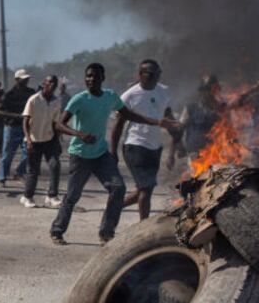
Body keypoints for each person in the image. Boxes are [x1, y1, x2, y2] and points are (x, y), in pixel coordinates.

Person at [50, 63, 180, 245]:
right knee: (72, 195)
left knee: (118, 188)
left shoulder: (110, 97)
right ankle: (57, 230)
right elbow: (58, 124)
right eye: (88, 76)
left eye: (95, 76)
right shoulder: (79, 99)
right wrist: (79, 134)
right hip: (80, 155)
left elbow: (129, 115)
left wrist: (157, 122)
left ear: (102, 78)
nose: (91, 79)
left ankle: (106, 232)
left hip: (101, 153)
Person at [113, 59, 178, 221]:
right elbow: (118, 126)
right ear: (140, 75)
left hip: (155, 148)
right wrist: (113, 152)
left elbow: (169, 118)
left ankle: (114, 207)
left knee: (144, 189)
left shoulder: (164, 91)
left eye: (158, 74)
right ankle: (144, 226)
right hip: (135, 146)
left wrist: (176, 141)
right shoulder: (129, 96)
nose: (155, 77)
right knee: (146, 189)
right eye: (150, 74)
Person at [20, 75, 74, 209]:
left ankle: (52, 196)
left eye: (54, 84)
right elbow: (25, 121)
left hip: (49, 140)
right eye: (49, 82)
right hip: (34, 140)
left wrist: (58, 141)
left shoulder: (56, 101)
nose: (52, 85)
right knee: (33, 170)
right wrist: (28, 140)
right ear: (44, 83)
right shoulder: (33, 99)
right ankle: (27, 196)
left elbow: (56, 123)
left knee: (55, 166)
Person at [0, 69, 33, 186]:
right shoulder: (9, 95)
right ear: (17, 80)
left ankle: (19, 172)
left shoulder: (31, 93)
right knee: (7, 154)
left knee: (28, 152)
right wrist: (16, 115)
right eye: (23, 79)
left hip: (26, 128)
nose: (26, 81)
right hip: (12, 127)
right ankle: (2, 176)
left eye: (27, 79)